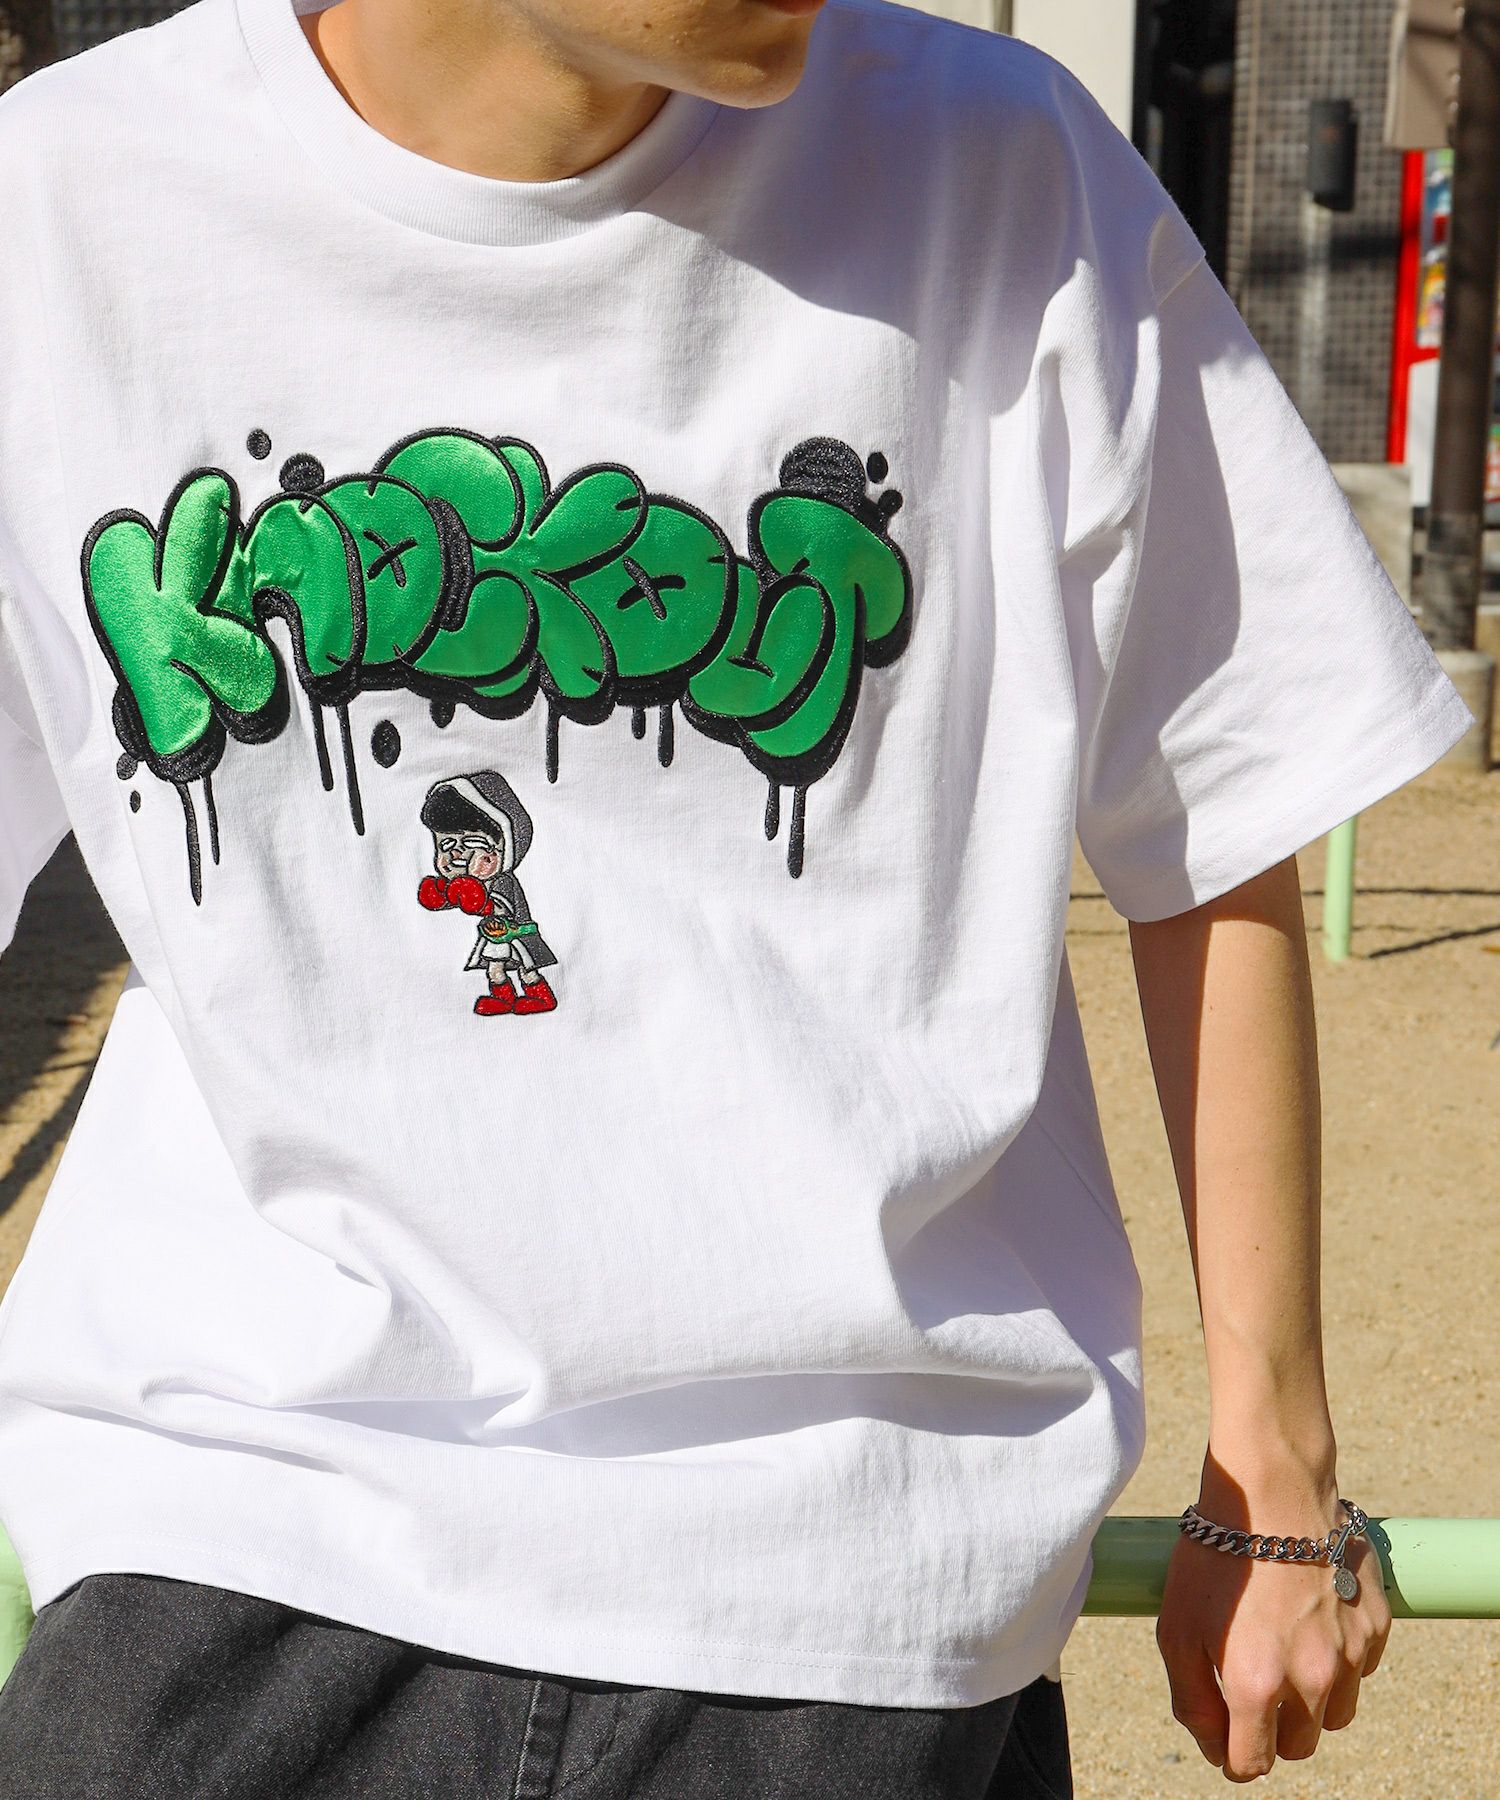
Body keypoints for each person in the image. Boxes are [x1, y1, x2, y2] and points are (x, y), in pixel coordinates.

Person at [0, 0, 1473, 1791]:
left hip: (849, 1592)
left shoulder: (1004, 176)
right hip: (230, 1547)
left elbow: (1222, 805)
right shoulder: (69, 207)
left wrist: (1281, 1464)